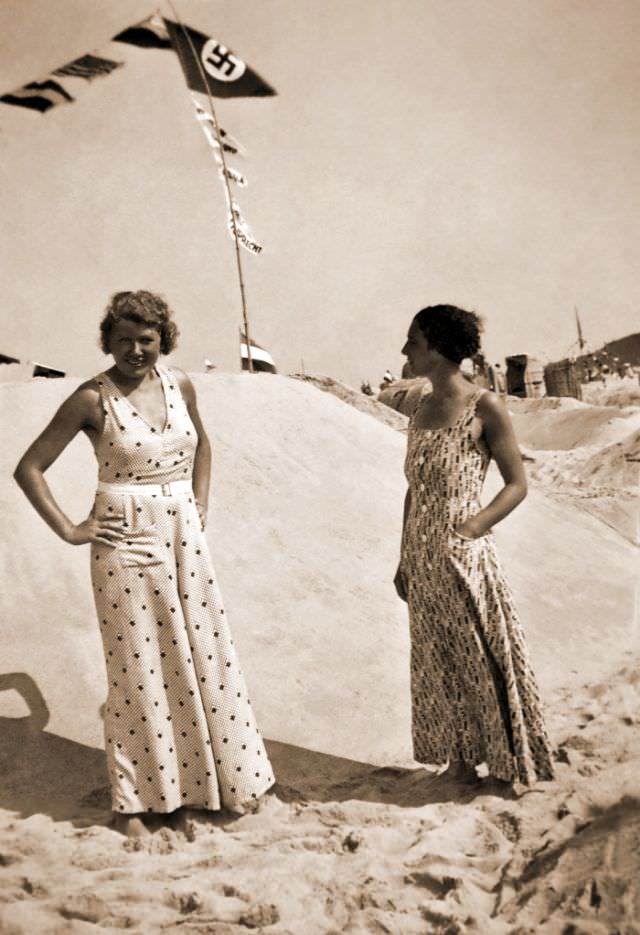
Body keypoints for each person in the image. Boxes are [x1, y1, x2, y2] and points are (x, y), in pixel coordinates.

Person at [14, 290, 275, 837]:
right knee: (140, 670)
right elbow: (29, 467)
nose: (136, 350)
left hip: (184, 536)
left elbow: (203, 443)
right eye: (124, 339)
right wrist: (70, 529)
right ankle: (137, 804)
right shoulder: (91, 398)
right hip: (123, 540)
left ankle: (213, 787)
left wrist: (199, 502)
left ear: (164, 340)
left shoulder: (180, 383)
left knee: (201, 655)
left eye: (147, 340)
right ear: (107, 341)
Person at [395, 304, 554, 787]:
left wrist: (469, 531)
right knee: (436, 659)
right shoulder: (419, 407)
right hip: (421, 559)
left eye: (414, 342)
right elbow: (414, 489)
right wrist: (403, 555)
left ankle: (505, 762)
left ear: (439, 348)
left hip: (462, 555)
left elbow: (516, 485)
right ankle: (459, 760)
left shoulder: (484, 407)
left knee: (478, 656)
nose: (405, 350)